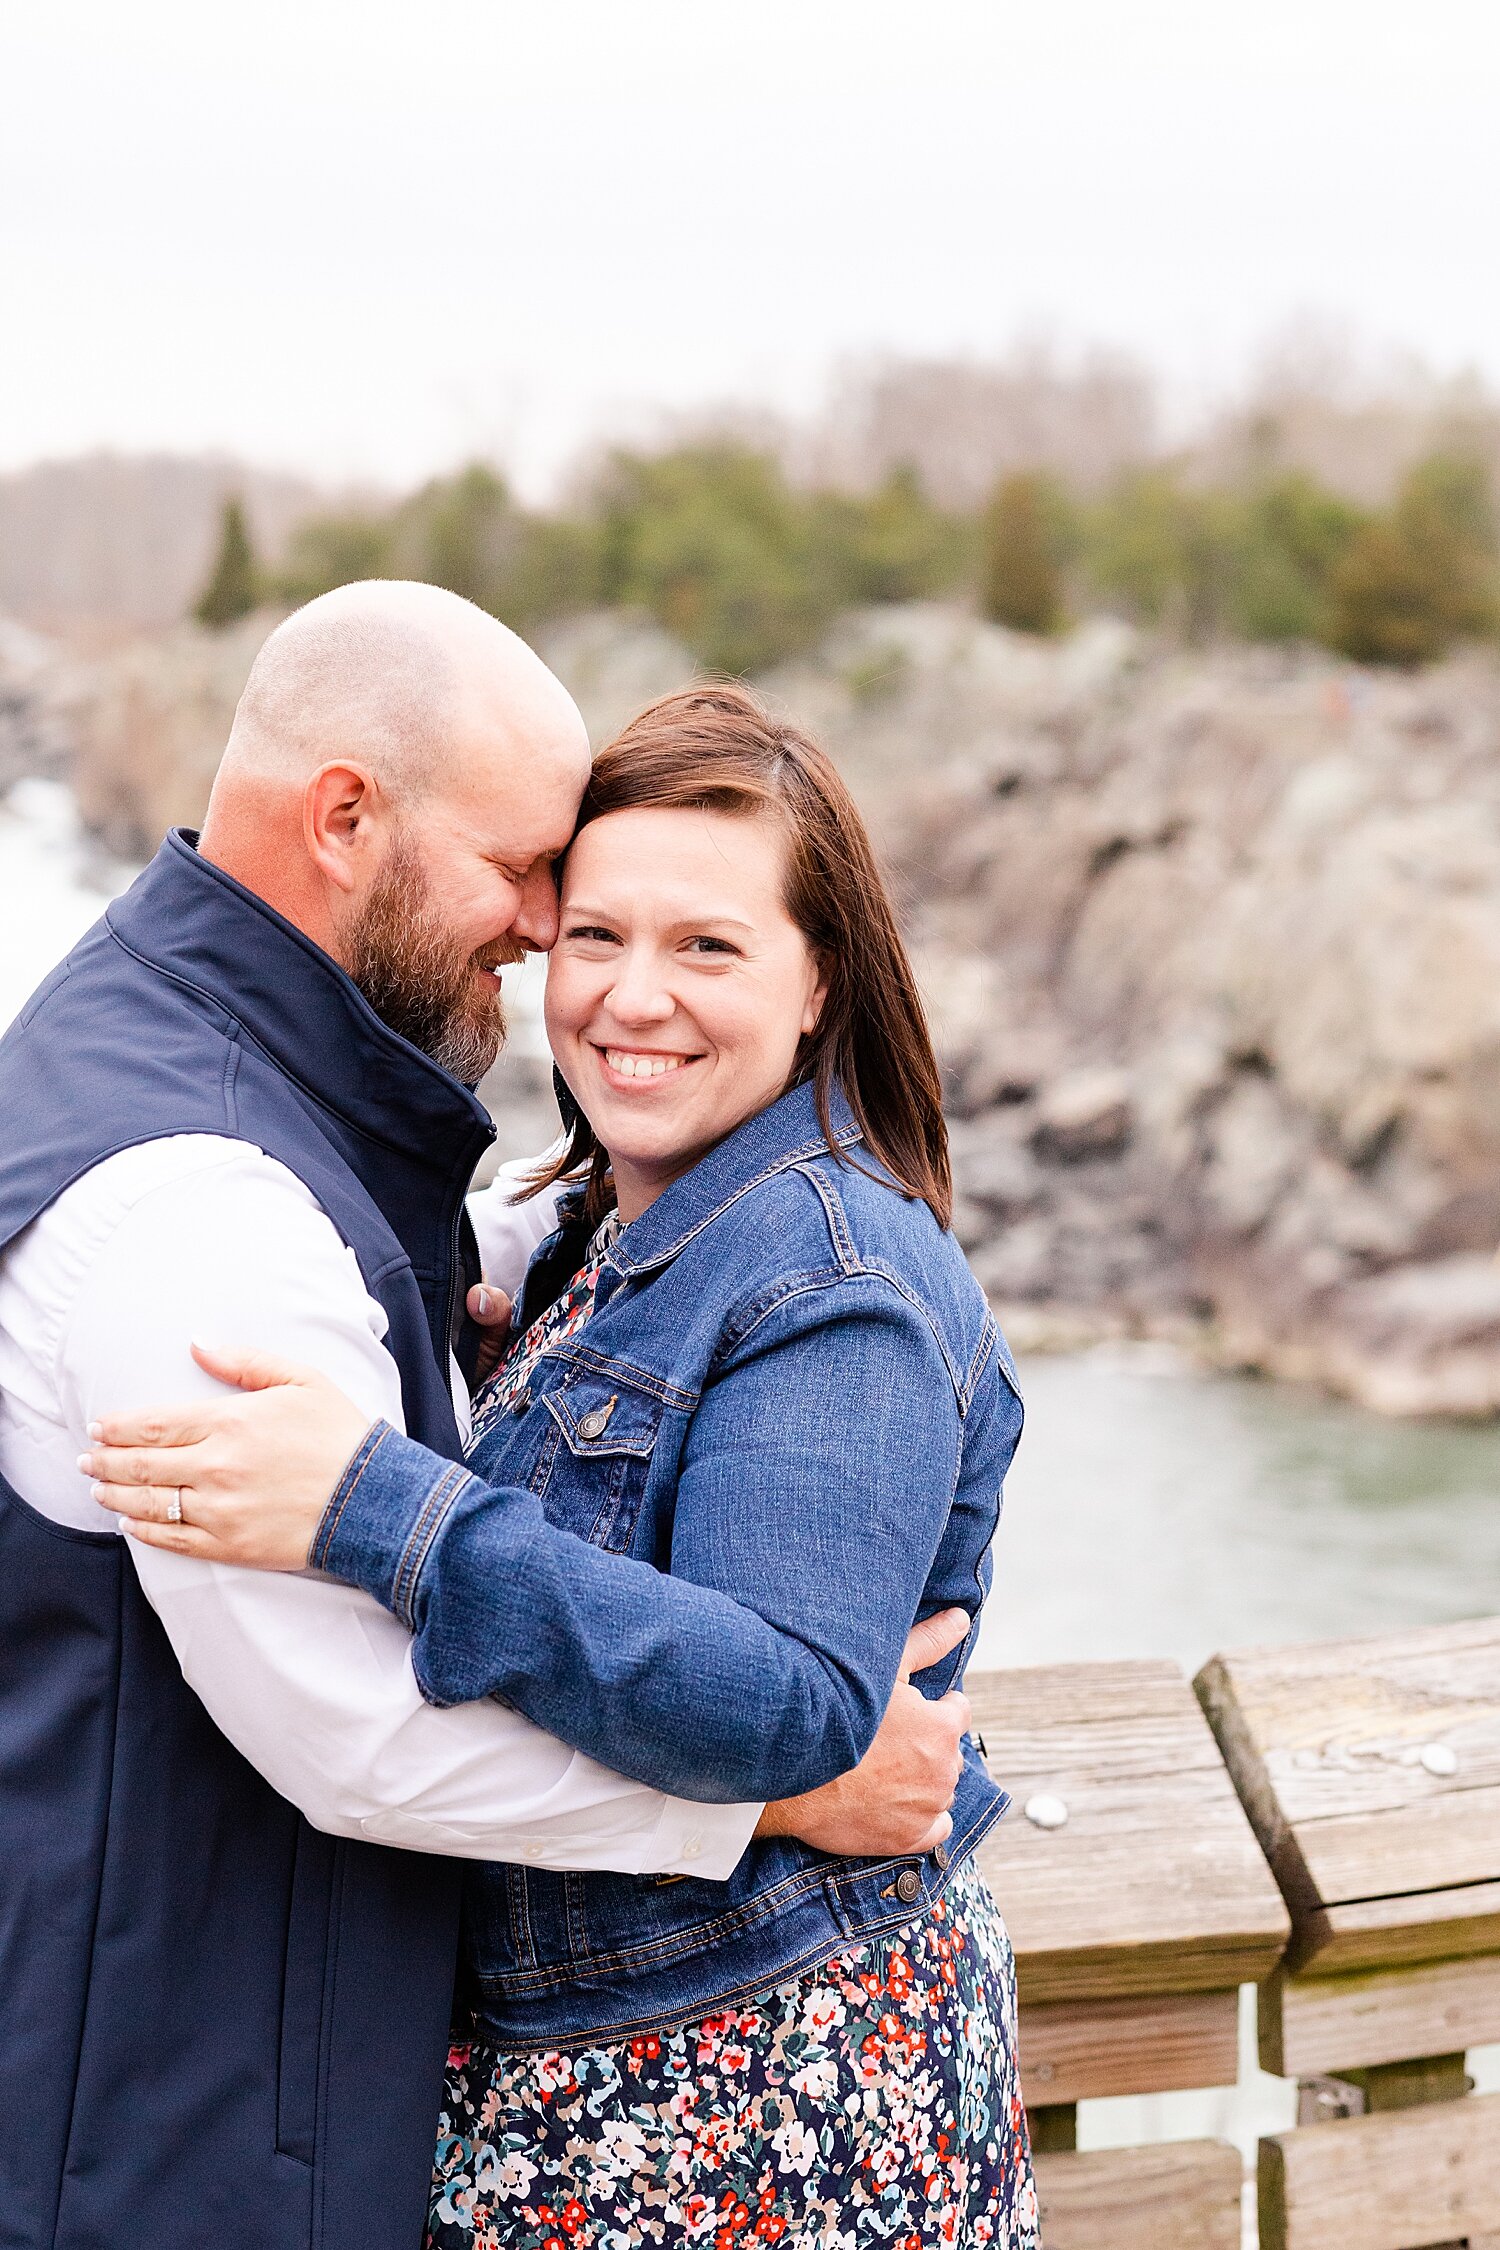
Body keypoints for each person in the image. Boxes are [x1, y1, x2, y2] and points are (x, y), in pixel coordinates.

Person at [0, 588, 968, 2250]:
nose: (546, 933)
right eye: (548, 890)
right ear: (346, 816)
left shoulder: (182, 1055)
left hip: (687, 2118)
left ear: (823, 986)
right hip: (177, 2144)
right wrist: (776, 1796)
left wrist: (441, 1379)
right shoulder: (203, 1209)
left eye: (704, 942)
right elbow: (359, 1729)